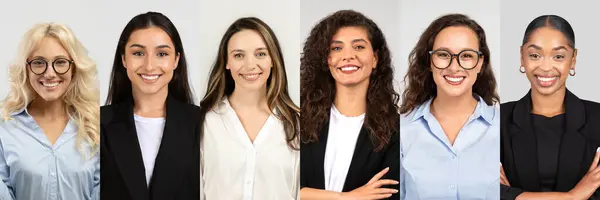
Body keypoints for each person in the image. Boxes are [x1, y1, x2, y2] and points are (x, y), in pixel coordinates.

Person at [299, 10, 400, 200]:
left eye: (359, 47)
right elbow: (281, 187)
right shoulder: (300, 119)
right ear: (325, 59)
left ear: (375, 59)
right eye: (337, 48)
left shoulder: (395, 130)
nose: (348, 56)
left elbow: (387, 196)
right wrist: (348, 197)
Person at [100, 11, 200, 200]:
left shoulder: (200, 123)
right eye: (138, 53)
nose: (149, 66)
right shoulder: (98, 123)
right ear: (124, 59)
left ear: (176, 60)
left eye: (162, 54)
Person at [399, 14, 500, 200]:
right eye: (444, 55)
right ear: (430, 62)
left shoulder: (505, 127)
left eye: (467, 56)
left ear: (480, 64)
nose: (454, 67)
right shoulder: (401, 130)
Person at [199, 17, 300, 200]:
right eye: (239, 55)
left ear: (272, 60)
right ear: (227, 62)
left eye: (260, 54)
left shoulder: (295, 124)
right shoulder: (205, 122)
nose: (250, 65)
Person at [500, 15, 600, 200]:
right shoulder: (497, 120)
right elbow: (482, 189)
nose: (546, 67)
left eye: (559, 56)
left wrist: (516, 196)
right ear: (522, 56)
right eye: (535, 55)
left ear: (573, 59)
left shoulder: (597, 119)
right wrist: (574, 196)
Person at [0, 23, 100, 200]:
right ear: (27, 68)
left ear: (74, 67)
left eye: (60, 62)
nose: (50, 73)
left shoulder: (96, 127)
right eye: (39, 63)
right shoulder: (5, 130)